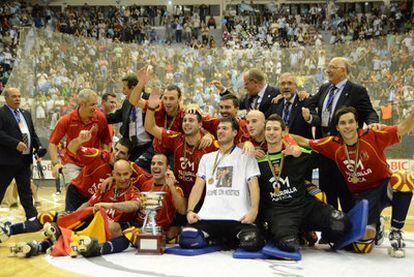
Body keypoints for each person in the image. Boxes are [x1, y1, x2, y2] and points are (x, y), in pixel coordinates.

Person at [292, 106, 414, 257]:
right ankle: (377, 224)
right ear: (337, 127)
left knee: (403, 178)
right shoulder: (332, 143)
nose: (347, 126)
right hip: (363, 197)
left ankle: (396, 232)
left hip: (384, 187)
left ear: (357, 124)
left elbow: (402, 128)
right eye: (343, 123)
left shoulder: (373, 134)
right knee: (361, 247)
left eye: (351, 122)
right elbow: (305, 141)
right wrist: (282, 134)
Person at [0, 160, 142, 258]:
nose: (122, 178)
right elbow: (87, 205)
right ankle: (9, 230)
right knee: (49, 215)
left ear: (131, 174)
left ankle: (40, 246)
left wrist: (108, 205)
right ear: (112, 174)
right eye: (118, 174)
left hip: (105, 230)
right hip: (90, 221)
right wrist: (73, 216)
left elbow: (134, 205)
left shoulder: (134, 191)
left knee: (109, 228)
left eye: (126, 174)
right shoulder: (106, 187)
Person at [257, 114, 350, 252]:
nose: (271, 132)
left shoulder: (298, 155)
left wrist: (299, 149)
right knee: (288, 245)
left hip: (305, 207)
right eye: (268, 129)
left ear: (284, 132)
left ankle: (322, 236)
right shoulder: (258, 162)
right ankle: (298, 234)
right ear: (264, 133)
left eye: (276, 129)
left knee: (340, 222)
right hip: (281, 213)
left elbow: (327, 155)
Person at [70, 154, 187, 258]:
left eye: (160, 163)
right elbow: (123, 167)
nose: (155, 166)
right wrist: (112, 178)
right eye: (153, 163)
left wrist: (171, 186)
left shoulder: (175, 187)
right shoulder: (144, 180)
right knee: (114, 226)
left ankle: (97, 248)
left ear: (168, 168)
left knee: (127, 235)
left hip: (155, 230)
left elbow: (182, 210)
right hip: (134, 224)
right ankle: (75, 236)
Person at [303, 57, 379, 211]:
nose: (328, 70)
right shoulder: (324, 88)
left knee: (346, 195)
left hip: (346, 151)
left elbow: (369, 112)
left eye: (332, 67)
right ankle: (332, 231)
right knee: (327, 194)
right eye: (328, 67)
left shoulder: (357, 90)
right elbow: (309, 103)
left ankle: (350, 232)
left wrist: (373, 124)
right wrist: (301, 99)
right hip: (326, 150)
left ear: (343, 71)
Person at [180, 117, 264, 252]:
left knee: (251, 240)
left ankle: (222, 239)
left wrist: (253, 211)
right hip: (209, 218)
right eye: (218, 129)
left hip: (238, 218)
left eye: (225, 128)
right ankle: (217, 239)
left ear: (235, 132)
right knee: (187, 238)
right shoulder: (207, 158)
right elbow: (197, 187)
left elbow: (254, 186)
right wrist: (190, 211)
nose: (220, 131)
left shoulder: (246, 156)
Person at [144, 88, 219, 199]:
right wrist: (150, 107)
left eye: (191, 120)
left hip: (205, 199)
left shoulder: (210, 144)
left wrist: (210, 135)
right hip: (182, 196)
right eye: (185, 120)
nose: (187, 123)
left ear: (200, 124)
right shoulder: (176, 139)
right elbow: (150, 127)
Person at [64, 129, 151, 212]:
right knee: (70, 222)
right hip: (77, 194)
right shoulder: (98, 155)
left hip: (94, 200)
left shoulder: (129, 167)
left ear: (128, 156)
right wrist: (79, 140)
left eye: (122, 153)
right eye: (116, 149)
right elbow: (71, 149)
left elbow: (148, 180)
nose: (117, 155)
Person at [49, 89, 112, 188]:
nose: (95, 108)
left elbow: (106, 141)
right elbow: (53, 143)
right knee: (73, 192)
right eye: (92, 105)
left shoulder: (100, 117)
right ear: (82, 104)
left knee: (91, 197)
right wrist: (55, 163)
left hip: (93, 163)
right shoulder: (66, 120)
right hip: (72, 162)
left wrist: (105, 160)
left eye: (96, 104)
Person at [0, 87, 44, 219]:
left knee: (26, 192)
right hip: (6, 161)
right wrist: (15, 143)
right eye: (14, 96)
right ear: (6, 98)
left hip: (24, 160)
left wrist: (39, 146)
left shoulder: (26, 113)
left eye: (19, 96)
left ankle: (32, 218)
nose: (17, 99)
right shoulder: (1, 113)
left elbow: (31, 133)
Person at [106, 70, 152, 162]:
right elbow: (115, 117)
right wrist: (97, 117)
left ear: (134, 88)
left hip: (148, 148)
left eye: (124, 88)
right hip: (130, 148)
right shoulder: (127, 102)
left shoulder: (151, 100)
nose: (122, 91)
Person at [273, 73, 313, 139]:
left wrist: (309, 118)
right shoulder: (276, 102)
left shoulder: (304, 100)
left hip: (300, 146)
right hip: (280, 145)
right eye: (283, 84)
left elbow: (317, 120)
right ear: (279, 87)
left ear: (296, 86)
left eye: (289, 83)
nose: (286, 86)